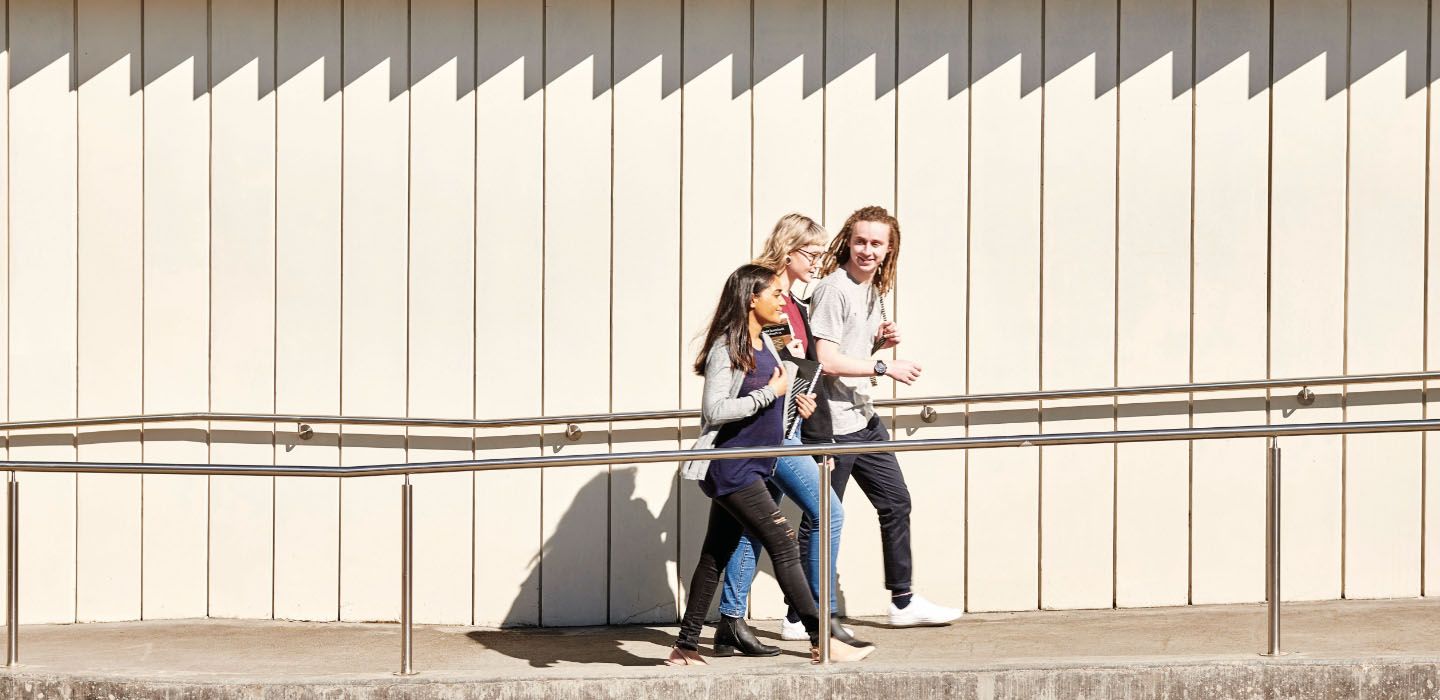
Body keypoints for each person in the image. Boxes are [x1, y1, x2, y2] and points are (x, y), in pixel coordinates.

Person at [667, 264, 873, 666]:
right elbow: (715, 410)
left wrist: (793, 405)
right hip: (732, 467)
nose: (784, 301)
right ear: (751, 299)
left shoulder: (766, 345)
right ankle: (820, 640)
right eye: (775, 294)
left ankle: (685, 646)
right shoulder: (728, 347)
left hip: (755, 464)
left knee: (716, 553)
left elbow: (770, 410)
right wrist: (769, 393)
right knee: (783, 542)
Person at [800, 205, 962, 627]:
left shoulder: (872, 289)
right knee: (821, 518)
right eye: (860, 241)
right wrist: (884, 366)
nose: (866, 250)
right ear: (847, 242)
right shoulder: (833, 289)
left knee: (895, 503)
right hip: (832, 427)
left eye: (876, 243)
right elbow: (827, 360)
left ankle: (903, 602)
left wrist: (875, 346)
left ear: (890, 249)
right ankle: (799, 616)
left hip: (863, 420)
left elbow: (849, 353)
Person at [713, 214, 862, 655]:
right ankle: (812, 617)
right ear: (789, 249)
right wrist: (780, 398)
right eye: (812, 254)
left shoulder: (792, 302)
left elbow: (788, 369)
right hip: (770, 435)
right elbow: (760, 362)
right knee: (828, 513)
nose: (818, 262)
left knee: (754, 528)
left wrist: (799, 399)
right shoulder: (767, 297)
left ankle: (730, 622)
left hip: (785, 425)